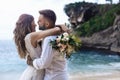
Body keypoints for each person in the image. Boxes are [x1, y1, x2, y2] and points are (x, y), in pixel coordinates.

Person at [13, 13, 65, 80]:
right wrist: (59, 26)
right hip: (36, 73)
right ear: (28, 24)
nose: (35, 24)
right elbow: (56, 30)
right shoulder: (30, 37)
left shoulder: (31, 38)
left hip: (37, 70)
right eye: (33, 22)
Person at [28, 9, 69, 80]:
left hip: (53, 77)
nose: (37, 22)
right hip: (63, 75)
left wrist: (32, 62)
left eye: (40, 21)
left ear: (47, 24)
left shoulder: (49, 39)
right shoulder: (62, 36)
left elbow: (44, 63)